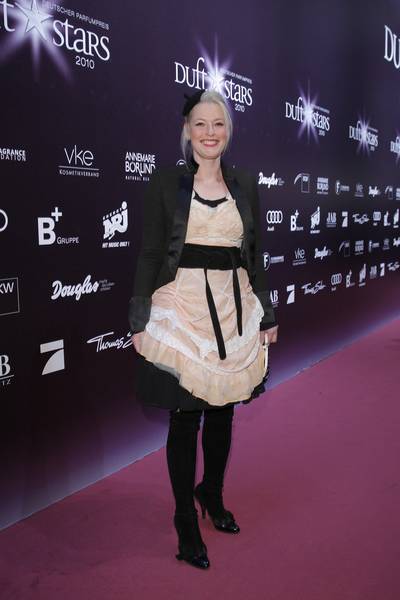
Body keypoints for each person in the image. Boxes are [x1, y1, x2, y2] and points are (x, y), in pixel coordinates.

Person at [128, 89, 278, 570]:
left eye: (218, 124)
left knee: (223, 412)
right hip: (183, 307)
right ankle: (184, 518)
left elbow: (254, 255)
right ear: (187, 130)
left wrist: (267, 314)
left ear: (227, 130)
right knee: (185, 415)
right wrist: (139, 317)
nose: (209, 132)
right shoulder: (165, 183)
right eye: (200, 124)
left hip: (233, 307)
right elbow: (151, 253)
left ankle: (210, 492)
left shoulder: (245, 183)